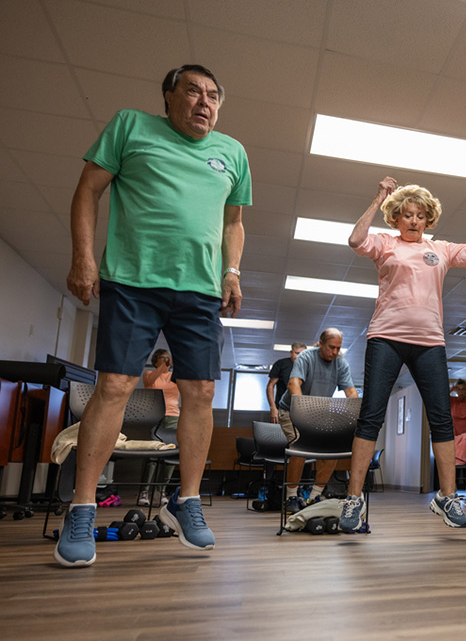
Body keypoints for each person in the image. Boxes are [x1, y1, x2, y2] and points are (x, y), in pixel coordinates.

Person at [57, 64, 251, 568]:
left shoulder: (232, 152)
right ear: (168, 98)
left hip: (200, 291)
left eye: (213, 95)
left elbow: (234, 220)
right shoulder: (130, 126)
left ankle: (185, 500)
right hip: (133, 280)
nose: (204, 102)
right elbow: (87, 191)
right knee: (117, 385)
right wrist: (84, 257)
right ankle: (80, 509)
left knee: (202, 392)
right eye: (192, 91)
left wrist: (231, 271)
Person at [339, 177, 466, 531]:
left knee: (441, 419)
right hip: (386, 337)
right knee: (370, 417)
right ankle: (353, 499)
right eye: (407, 214)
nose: (414, 220)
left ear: (428, 220)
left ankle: (446, 497)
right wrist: (378, 195)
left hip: (429, 341)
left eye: (421, 215)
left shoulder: (440, 249)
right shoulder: (384, 244)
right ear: (395, 217)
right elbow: (354, 240)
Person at [275, 328, 357, 511]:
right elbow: (294, 384)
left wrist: (358, 414)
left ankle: (314, 497)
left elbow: (350, 392)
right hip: (292, 411)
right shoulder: (306, 357)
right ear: (320, 343)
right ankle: (291, 498)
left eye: (338, 348)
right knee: (299, 448)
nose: (334, 352)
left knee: (332, 450)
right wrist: (302, 411)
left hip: (319, 414)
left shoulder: (341, 363)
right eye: (331, 347)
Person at [137, 349, 180, 506]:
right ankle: (144, 491)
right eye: (163, 358)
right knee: (153, 454)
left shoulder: (173, 376)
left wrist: (175, 365)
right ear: (156, 361)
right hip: (155, 415)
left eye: (169, 358)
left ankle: (161, 491)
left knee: (170, 452)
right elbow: (151, 381)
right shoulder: (149, 374)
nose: (167, 361)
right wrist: (164, 366)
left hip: (173, 416)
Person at [266, 342, 307, 424]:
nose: (299, 356)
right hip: (282, 409)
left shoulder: (308, 367)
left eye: (302, 354)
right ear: (291, 353)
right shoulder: (281, 364)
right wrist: (273, 408)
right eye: (297, 353)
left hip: (302, 411)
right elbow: (270, 386)